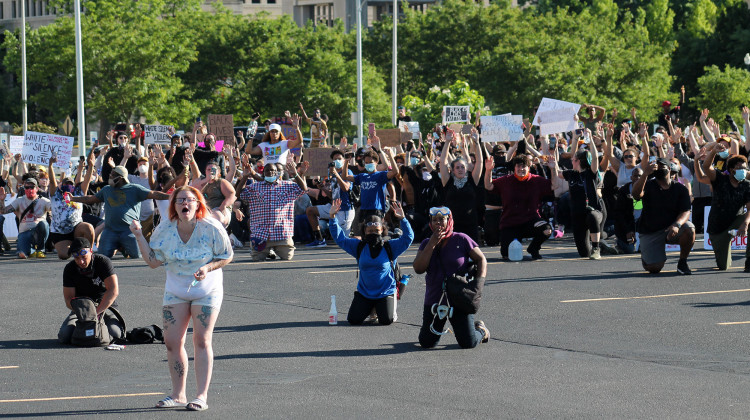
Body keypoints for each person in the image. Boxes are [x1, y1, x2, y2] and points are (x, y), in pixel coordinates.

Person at [130, 186, 233, 412]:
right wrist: (138, 235)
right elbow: (153, 261)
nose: (184, 203)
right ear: (174, 206)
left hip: (207, 289)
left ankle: (201, 396)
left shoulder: (211, 227)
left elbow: (226, 256)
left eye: (189, 199)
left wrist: (207, 267)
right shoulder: (164, 230)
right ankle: (178, 395)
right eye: (179, 200)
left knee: (202, 340)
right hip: (176, 290)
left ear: (198, 204)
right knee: (172, 342)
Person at [412, 207, 490, 348]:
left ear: (449, 220)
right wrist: (432, 243)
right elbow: (418, 268)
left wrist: (479, 283)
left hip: (458, 297)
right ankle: (436, 331)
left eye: (442, 219)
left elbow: (481, 259)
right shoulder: (426, 243)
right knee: (427, 342)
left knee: (468, 343)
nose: (438, 223)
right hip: (435, 299)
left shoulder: (461, 239)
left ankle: (481, 330)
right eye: (434, 220)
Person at [329, 199, 414, 325]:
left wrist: (403, 219)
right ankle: (372, 309)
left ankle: (387, 308)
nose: (373, 233)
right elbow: (340, 238)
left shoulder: (390, 246)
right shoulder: (358, 246)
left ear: (382, 231)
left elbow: (408, 238)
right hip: (365, 293)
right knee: (353, 320)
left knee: (386, 320)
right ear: (364, 232)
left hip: (385, 292)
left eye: (376, 231)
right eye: (369, 231)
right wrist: (332, 217)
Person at [69, 165, 170, 258]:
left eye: (113, 175)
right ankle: (119, 246)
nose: (110, 176)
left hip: (129, 231)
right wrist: (74, 198)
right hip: (110, 230)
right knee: (102, 257)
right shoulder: (107, 190)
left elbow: (154, 194)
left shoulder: (134, 189)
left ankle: (122, 247)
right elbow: (91, 199)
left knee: (136, 256)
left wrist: (171, 197)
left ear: (120, 178)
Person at [632, 154, 695, 275]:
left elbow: (686, 211)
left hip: (671, 229)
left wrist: (677, 224)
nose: (659, 170)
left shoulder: (680, 189)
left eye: (662, 167)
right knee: (654, 268)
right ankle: (649, 256)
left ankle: (683, 262)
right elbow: (636, 195)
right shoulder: (648, 184)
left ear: (669, 169)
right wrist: (645, 174)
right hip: (650, 230)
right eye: (656, 168)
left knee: (689, 228)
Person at [484, 154, 553, 260]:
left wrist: (553, 169)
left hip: (531, 221)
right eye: (518, 166)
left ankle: (533, 248)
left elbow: (554, 186)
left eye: (523, 166)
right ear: (514, 168)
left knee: (547, 230)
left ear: (528, 168)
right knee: (506, 255)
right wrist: (488, 170)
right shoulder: (506, 180)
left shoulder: (537, 180)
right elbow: (488, 186)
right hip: (510, 223)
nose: (521, 169)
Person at [58, 238, 124, 344]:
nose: (81, 262)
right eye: (77, 258)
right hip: (82, 308)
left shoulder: (103, 262)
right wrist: (84, 312)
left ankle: (101, 330)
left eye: (84, 257)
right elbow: (68, 298)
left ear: (91, 251)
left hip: (105, 306)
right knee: (64, 336)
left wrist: (96, 313)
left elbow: (113, 290)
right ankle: (84, 332)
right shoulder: (70, 269)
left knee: (116, 335)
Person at [241, 161, 309, 261]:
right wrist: (245, 177)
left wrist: (295, 174)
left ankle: (274, 249)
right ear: (263, 173)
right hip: (261, 234)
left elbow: (303, 189)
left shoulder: (287, 186)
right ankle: (267, 250)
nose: (270, 172)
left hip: (281, 232)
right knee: (257, 258)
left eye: (273, 170)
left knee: (288, 257)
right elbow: (240, 193)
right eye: (267, 170)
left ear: (277, 173)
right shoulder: (255, 187)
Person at [698, 148, 750, 271]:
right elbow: (706, 167)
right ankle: (725, 249)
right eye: (740, 169)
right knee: (723, 266)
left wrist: (746, 223)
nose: (743, 171)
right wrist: (713, 152)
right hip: (718, 228)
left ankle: (749, 259)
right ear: (731, 170)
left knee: (749, 219)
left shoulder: (746, 185)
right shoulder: (720, 179)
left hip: (736, 221)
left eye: (745, 168)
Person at [48, 155, 96, 259]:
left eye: (70, 183)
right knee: (64, 255)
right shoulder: (55, 194)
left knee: (88, 227)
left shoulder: (78, 193)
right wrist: (50, 165)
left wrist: (91, 166)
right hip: (60, 232)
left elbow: (86, 180)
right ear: (60, 185)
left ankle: (89, 252)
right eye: (65, 183)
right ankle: (76, 247)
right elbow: (52, 181)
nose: (67, 185)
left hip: (76, 228)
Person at [439, 130, 483, 240]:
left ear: (466, 169)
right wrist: (447, 142)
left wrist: (477, 142)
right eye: (457, 167)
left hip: (470, 224)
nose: (460, 169)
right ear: (452, 170)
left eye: (463, 167)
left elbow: (479, 162)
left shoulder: (472, 180)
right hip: (452, 225)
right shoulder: (448, 181)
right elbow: (443, 162)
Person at [306, 149, 355, 247]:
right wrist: (323, 188)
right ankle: (319, 239)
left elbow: (346, 188)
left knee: (343, 241)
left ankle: (361, 239)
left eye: (339, 158)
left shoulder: (347, 172)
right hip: (333, 206)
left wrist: (336, 175)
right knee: (310, 210)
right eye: (335, 159)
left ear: (343, 160)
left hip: (344, 209)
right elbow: (332, 196)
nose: (337, 161)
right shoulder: (331, 174)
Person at [0, 178, 51, 259]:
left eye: (32, 187)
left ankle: (40, 250)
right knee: (22, 254)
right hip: (25, 232)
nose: (29, 189)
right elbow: (2, 211)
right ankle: (31, 250)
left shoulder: (43, 201)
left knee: (44, 224)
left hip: (38, 231)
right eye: (27, 188)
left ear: (37, 188)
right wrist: (2, 200)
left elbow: (54, 209)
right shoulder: (19, 200)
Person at [191, 159, 236, 227]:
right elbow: (194, 191)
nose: (211, 171)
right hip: (205, 210)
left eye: (213, 170)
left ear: (218, 173)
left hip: (220, 209)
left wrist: (223, 206)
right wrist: (207, 180)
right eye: (208, 170)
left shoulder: (221, 182)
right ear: (205, 172)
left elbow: (232, 195)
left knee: (216, 218)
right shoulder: (201, 181)